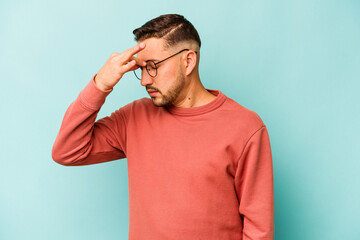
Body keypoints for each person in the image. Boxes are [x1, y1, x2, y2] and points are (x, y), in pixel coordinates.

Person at [52, 14, 274, 240]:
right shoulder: (134, 117)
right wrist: (100, 84)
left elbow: (259, 230)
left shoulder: (245, 127)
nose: (144, 80)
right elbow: (68, 151)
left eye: (153, 66)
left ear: (188, 61)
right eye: (142, 68)